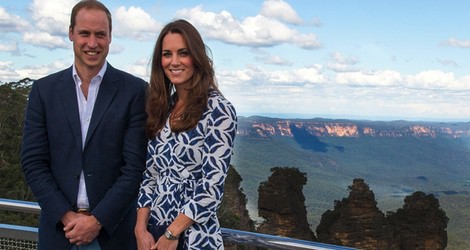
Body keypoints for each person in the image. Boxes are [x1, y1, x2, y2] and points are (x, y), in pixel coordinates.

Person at [21, 0, 147, 249]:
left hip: (113, 235)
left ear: (110, 37)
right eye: (84, 34)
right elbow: (33, 162)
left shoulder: (135, 91)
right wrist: (67, 217)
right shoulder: (44, 91)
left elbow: (134, 168)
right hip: (59, 233)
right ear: (71, 34)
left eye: (100, 34)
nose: (92, 43)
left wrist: (98, 221)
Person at [134, 19, 237, 250]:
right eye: (167, 54)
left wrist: (172, 233)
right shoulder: (164, 108)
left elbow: (211, 187)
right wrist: (140, 229)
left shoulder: (219, 110)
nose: (174, 62)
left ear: (197, 58)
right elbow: (150, 176)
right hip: (153, 235)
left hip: (192, 238)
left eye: (183, 53)